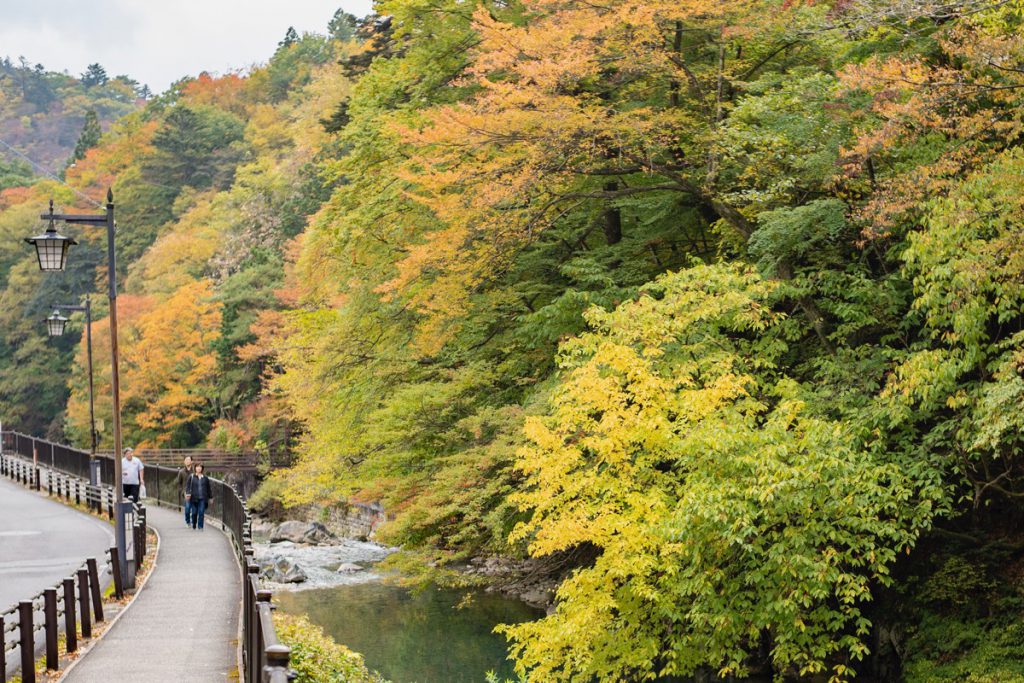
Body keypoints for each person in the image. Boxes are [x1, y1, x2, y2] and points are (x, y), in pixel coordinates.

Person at [185, 463, 213, 530]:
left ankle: (200, 526)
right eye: (197, 467)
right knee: (194, 513)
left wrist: (210, 497)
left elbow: (208, 488)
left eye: (200, 467)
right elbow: (188, 487)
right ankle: (194, 523)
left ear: (202, 468)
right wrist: (188, 494)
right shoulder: (191, 477)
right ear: (195, 468)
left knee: (201, 512)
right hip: (194, 498)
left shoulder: (205, 478)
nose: (199, 468)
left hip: (202, 498)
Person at [175, 455, 195, 527]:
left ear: (192, 461)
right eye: (186, 460)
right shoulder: (181, 472)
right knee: (187, 508)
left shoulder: (195, 471)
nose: (187, 461)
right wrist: (182, 492)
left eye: (188, 460)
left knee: (194, 508)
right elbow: (179, 483)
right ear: (184, 462)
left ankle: (193, 521)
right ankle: (188, 521)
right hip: (186, 493)